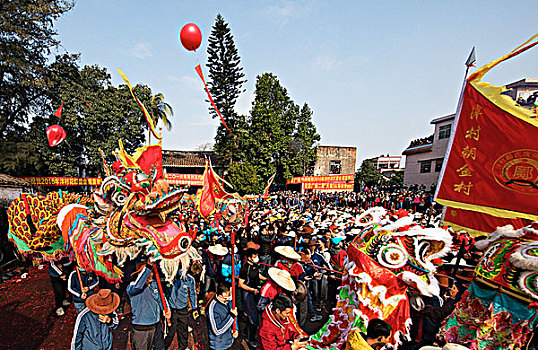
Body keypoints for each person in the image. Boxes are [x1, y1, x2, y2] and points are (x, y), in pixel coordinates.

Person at [127, 262, 171, 350]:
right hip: (141, 329)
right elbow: (138, 286)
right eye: (147, 272)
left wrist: (166, 309)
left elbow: (160, 298)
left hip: (156, 326)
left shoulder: (154, 284)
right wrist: (148, 266)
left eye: (151, 272)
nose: (150, 274)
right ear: (140, 275)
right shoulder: (132, 287)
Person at [165, 266, 197, 350]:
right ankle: (164, 347)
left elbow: (192, 294)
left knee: (183, 330)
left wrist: (194, 308)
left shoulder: (190, 280)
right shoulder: (170, 277)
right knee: (171, 331)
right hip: (172, 310)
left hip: (183, 310)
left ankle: (183, 347)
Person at [239, 247, 263, 347]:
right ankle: (250, 338)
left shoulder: (255, 265)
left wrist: (268, 279)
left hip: (256, 293)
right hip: (248, 294)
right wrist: (252, 290)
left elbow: (258, 275)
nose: (256, 258)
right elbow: (241, 284)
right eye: (254, 256)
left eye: (257, 256)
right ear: (249, 257)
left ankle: (248, 333)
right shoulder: (245, 268)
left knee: (255, 316)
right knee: (252, 317)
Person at [207, 280, 238, 350]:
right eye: (230, 292)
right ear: (224, 294)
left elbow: (234, 315)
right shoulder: (213, 308)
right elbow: (217, 331)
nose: (232, 294)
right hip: (219, 346)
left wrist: (235, 329)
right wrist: (231, 316)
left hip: (229, 342)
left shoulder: (229, 302)